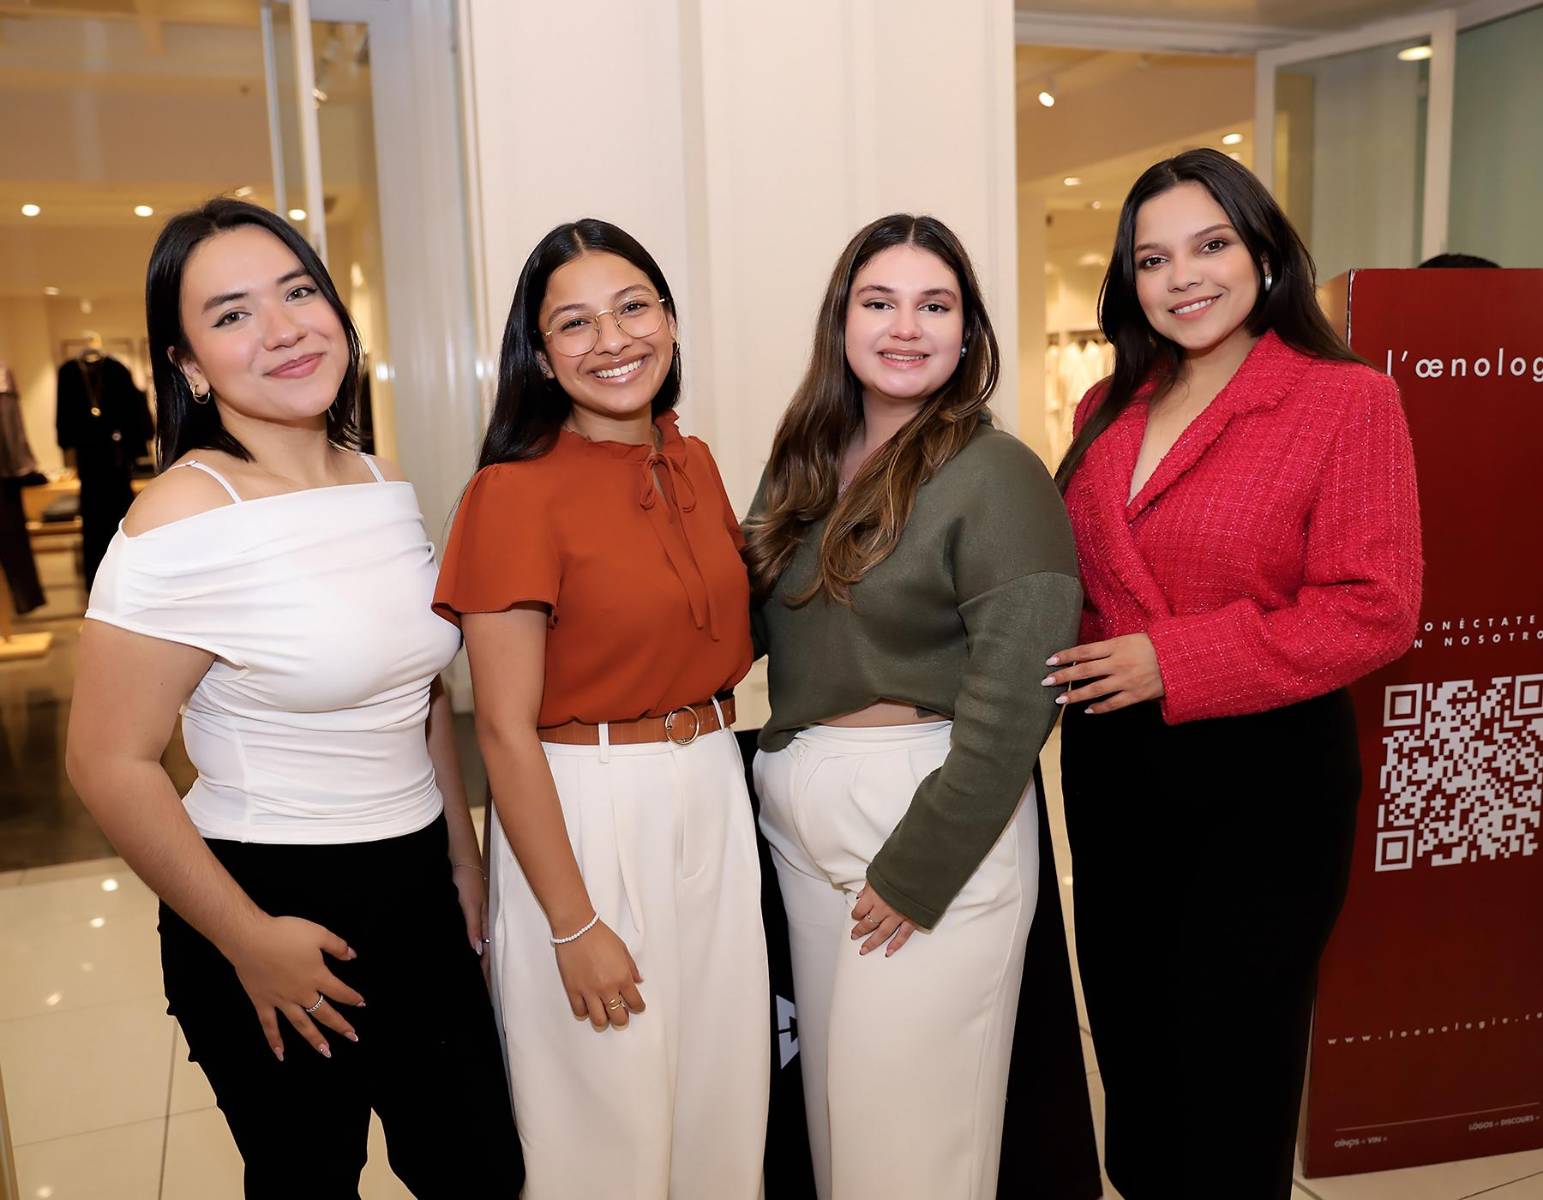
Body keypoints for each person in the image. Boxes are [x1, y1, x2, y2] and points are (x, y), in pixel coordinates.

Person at [65, 198, 521, 1198]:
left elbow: (421, 694)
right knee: (309, 1180)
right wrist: (246, 939)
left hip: (418, 886)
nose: (282, 329)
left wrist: (464, 860)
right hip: (268, 899)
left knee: (481, 1169)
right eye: (231, 315)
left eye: (299, 292)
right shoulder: (182, 514)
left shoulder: (377, 477)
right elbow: (105, 762)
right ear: (186, 363)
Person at [1042, 148, 1422, 1199]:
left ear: (1263, 251)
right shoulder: (1103, 408)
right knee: (1136, 1055)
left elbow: (1375, 608)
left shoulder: (1344, 401)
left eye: (1210, 245)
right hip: (1115, 773)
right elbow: (1076, 585)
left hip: (1262, 782)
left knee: (1232, 1079)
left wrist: (1170, 657)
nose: (1184, 276)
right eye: (1153, 257)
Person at [744, 213, 1082, 1200]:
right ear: (840, 324)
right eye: (878, 302)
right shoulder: (807, 462)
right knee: (839, 1127)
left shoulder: (997, 473)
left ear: (968, 331)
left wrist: (920, 864)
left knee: (912, 1153)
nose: (905, 327)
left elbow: (1021, 692)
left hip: (929, 816)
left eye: (934, 305)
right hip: (802, 811)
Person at [432, 219, 770, 1199]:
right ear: (540, 356)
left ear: (668, 319)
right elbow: (502, 730)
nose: (612, 340)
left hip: (710, 781)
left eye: (633, 308)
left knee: (720, 1097)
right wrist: (572, 926)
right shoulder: (512, 494)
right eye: (573, 323)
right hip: (585, 804)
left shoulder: (693, 462)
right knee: (604, 1125)